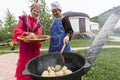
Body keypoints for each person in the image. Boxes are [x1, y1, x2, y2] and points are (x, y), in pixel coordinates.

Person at [12, 2, 42, 80]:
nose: (36, 13)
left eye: (38, 12)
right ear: (31, 10)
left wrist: (36, 38)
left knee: (34, 62)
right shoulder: (24, 18)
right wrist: (25, 33)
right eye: (34, 10)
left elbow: (39, 35)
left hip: (34, 47)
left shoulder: (38, 24)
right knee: (24, 62)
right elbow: (17, 29)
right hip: (25, 46)